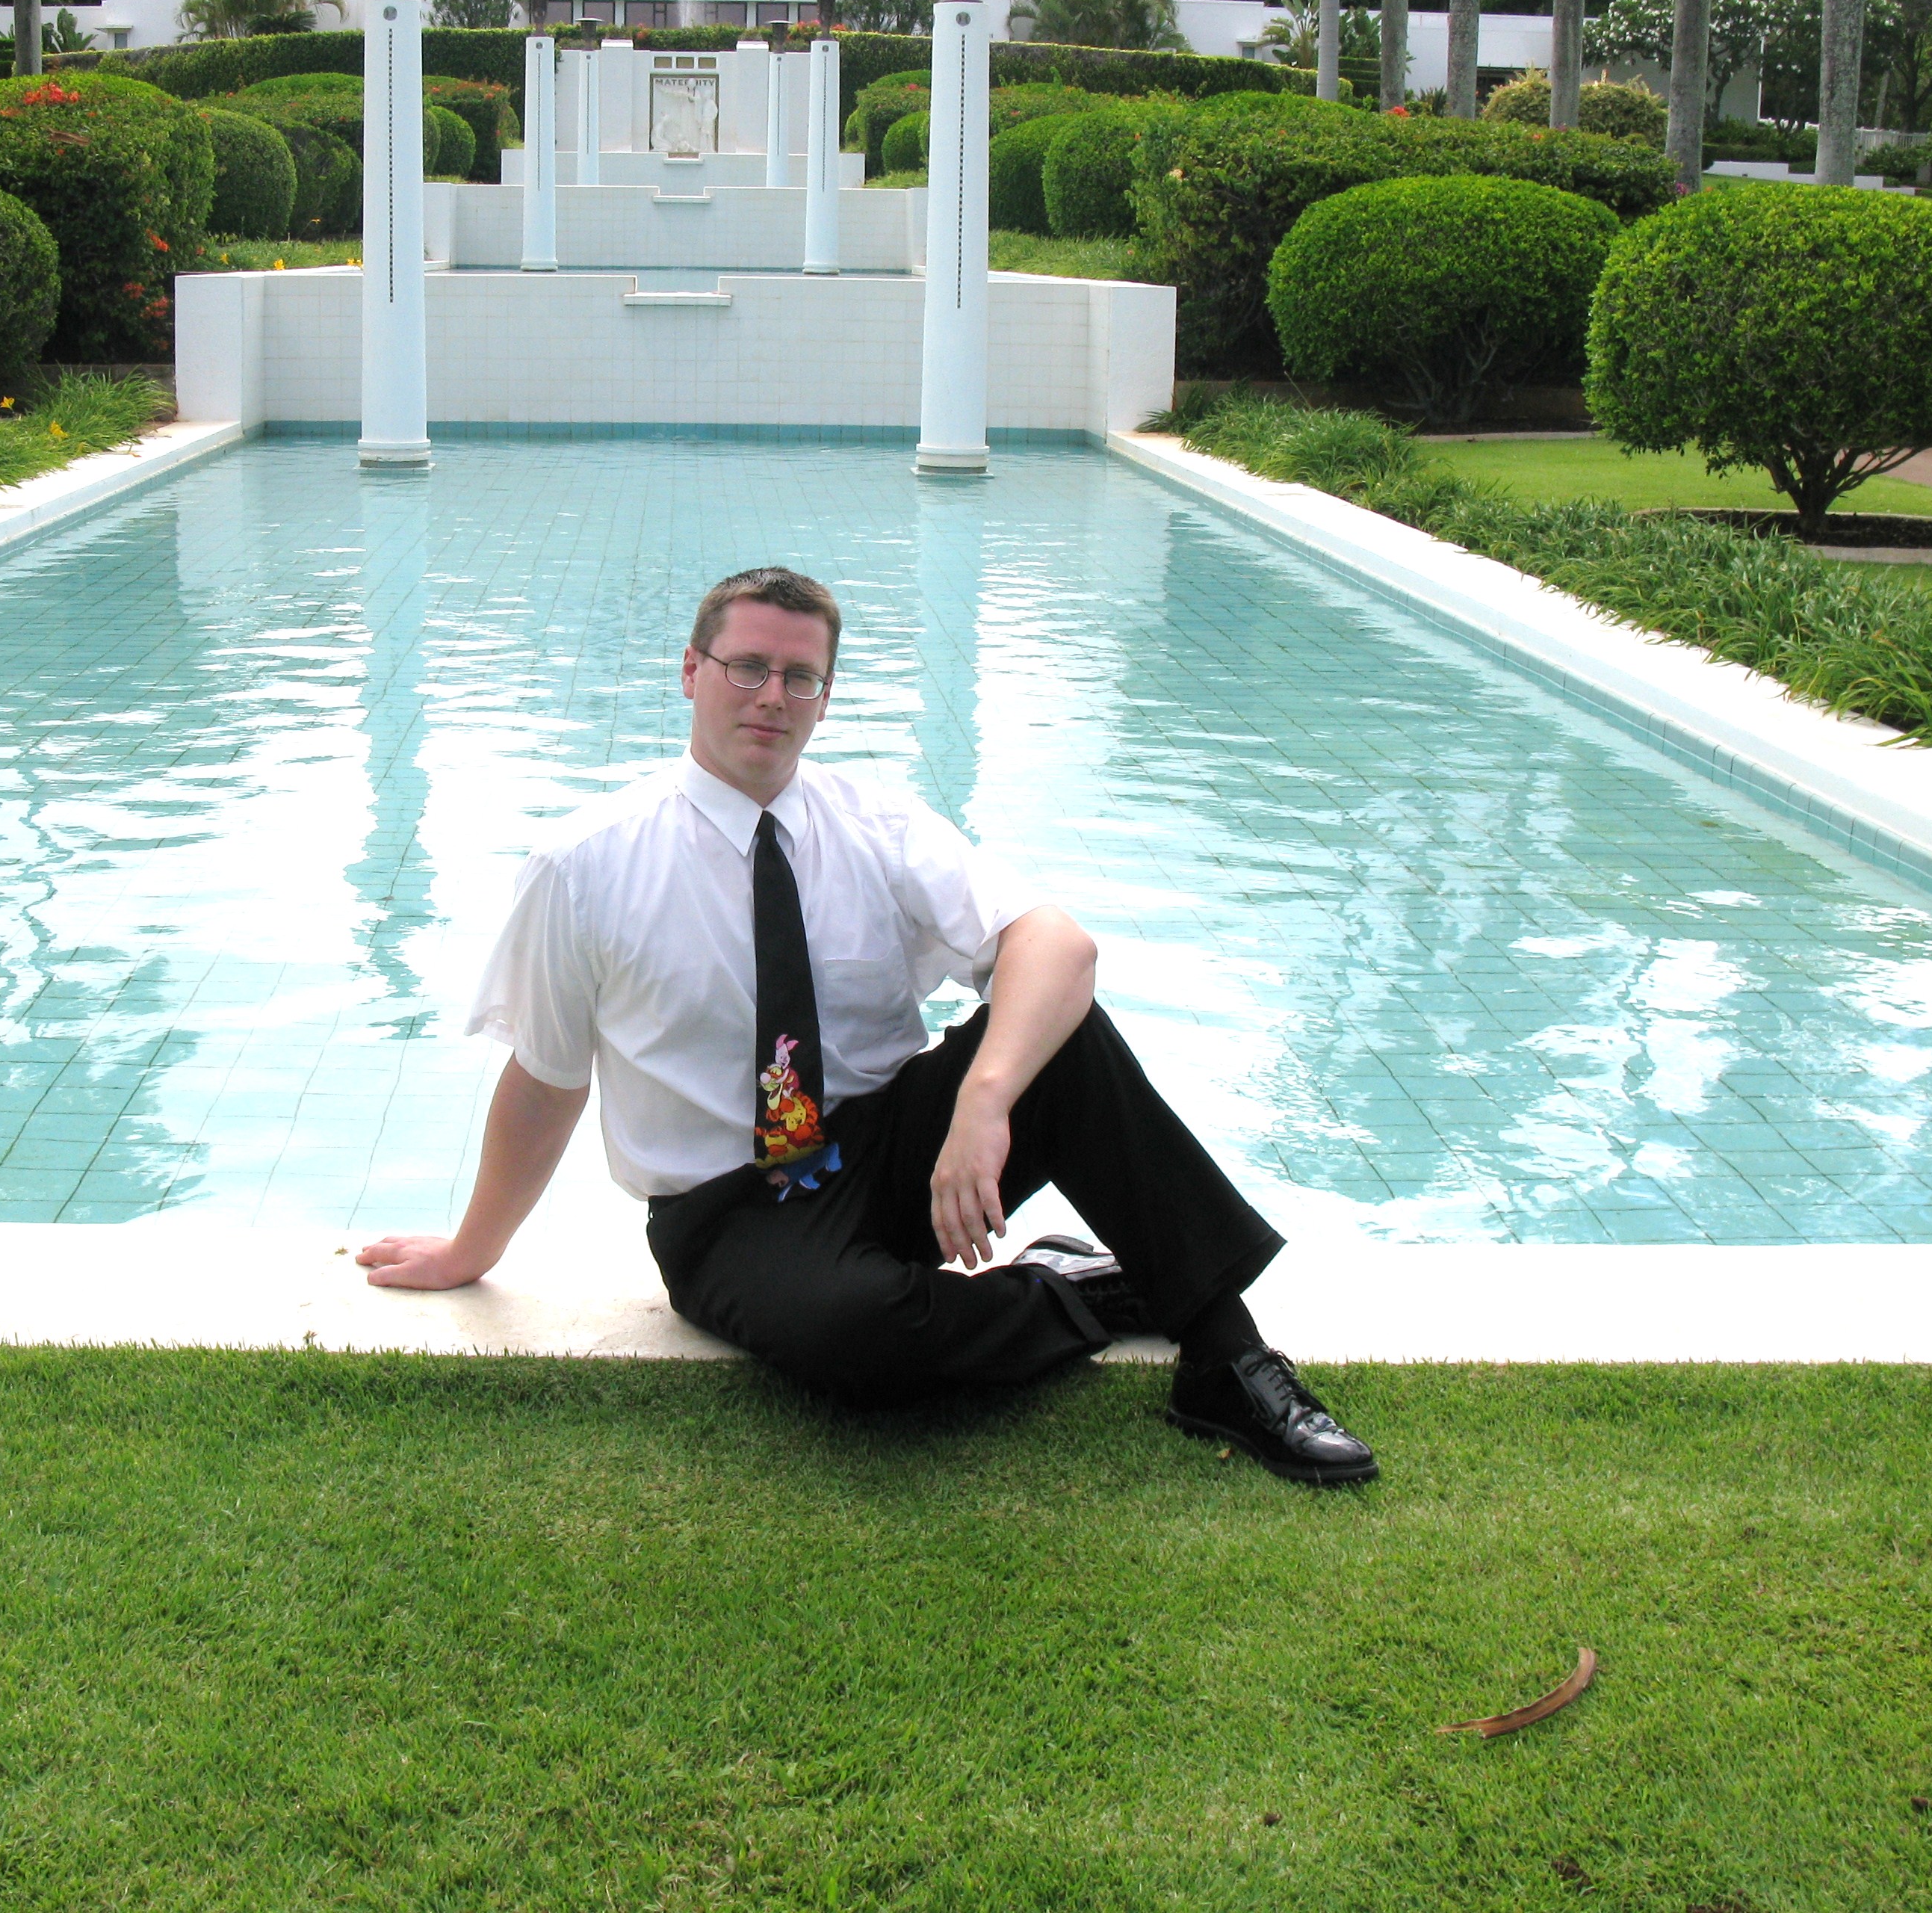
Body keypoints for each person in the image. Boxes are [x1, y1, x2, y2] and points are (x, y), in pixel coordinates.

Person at [355, 566, 1376, 1486]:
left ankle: (1226, 1360)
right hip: (730, 1213)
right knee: (858, 1343)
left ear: (826, 696)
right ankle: (1091, 1294)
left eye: (800, 677)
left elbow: (1059, 945)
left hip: (891, 1152)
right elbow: (547, 1079)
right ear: (691, 672)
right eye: (747, 667)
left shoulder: (877, 826)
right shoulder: (585, 866)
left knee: (1062, 1032)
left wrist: (983, 1101)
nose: (772, 696)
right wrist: (471, 1249)